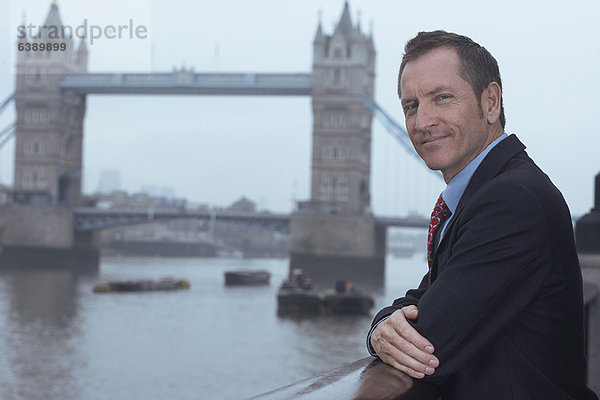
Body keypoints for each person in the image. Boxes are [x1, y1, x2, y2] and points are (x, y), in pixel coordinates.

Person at [367, 30, 598, 399]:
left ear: (491, 102)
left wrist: (383, 332)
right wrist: (379, 327)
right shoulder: (485, 194)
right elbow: (426, 296)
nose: (422, 121)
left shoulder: (510, 200)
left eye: (441, 98)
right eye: (411, 105)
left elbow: (428, 342)